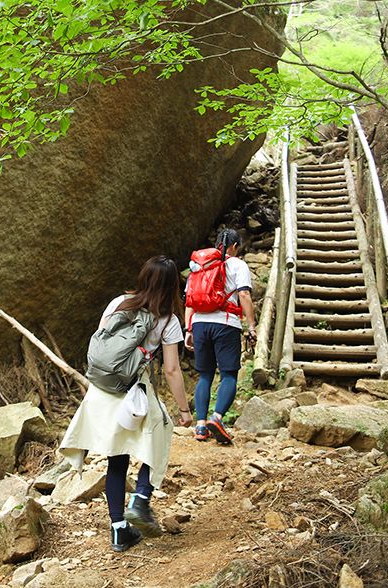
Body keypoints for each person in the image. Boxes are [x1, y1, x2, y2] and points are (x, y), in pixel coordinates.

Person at [60, 256, 193, 553]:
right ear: (173, 286)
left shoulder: (119, 302)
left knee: (116, 458)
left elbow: (101, 343)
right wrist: (184, 410)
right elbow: (172, 370)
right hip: (135, 390)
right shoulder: (168, 320)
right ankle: (141, 499)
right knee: (159, 435)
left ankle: (119, 529)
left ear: (143, 277)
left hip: (103, 390)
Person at [184, 229, 256, 446]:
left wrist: (188, 330)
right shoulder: (237, 265)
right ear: (234, 246)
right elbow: (243, 294)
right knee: (228, 375)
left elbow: (189, 301)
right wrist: (251, 325)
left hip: (199, 324)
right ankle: (217, 418)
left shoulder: (198, 266)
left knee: (204, 375)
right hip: (226, 323)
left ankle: (200, 425)